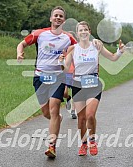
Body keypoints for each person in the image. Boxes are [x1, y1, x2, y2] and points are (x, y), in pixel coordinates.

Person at [16, 6, 102, 158]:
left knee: (54, 108)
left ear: (64, 20)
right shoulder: (39, 34)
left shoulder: (68, 37)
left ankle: (51, 146)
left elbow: (83, 41)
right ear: (51, 18)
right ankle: (57, 120)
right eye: (55, 15)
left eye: (61, 16)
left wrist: (96, 42)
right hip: (40, 77)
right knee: (46, 112)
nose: (58, 18)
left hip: (58, 77)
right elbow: (22, 43)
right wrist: (19, 53)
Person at [59, 21, 125, 156]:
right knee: (81, 118)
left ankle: (92, 140)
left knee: (90, 115)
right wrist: (60, 62)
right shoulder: (72, 49)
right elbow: (66, 69)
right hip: (78, 85)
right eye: (80, 30)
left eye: (85, 30)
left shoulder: (96, 46)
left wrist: (120, 52)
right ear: (77, 33)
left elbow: (112, 58)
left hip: (93, 84)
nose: (83, 32)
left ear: (89, 31)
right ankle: (83, 144)